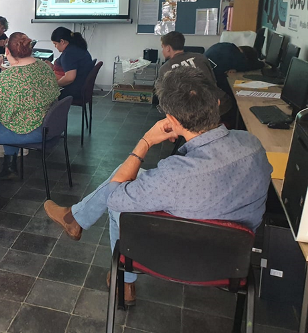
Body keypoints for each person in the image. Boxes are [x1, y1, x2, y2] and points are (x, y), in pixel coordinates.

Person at [43, 66, 271, 305]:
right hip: (232, 263)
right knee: (127, 175)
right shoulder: (253, 145)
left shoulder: (174, 175)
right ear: (216, 103)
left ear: (171, 120)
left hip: (172, 258)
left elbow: (114, 195)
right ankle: (75, 218)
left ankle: (124, 281)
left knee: (119, 199)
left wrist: (146, 141)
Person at [0, 32, 60, 179]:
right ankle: (9, 166)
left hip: (30, 128)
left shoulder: (8, 77)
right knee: (10, 118)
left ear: (7, 51)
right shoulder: (44, 67)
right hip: (48, 124)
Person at [158, 31, 232, 115]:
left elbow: (164, 97)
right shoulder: (201, 57)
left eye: (163, 47)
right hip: (217, 104)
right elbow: (213, 82)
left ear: (168, 48)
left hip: (189, 111)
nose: (162, 51)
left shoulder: (165, 69)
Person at [48, 27, 93, 100]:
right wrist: (52, 67)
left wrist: (55, 85)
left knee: (43, 90)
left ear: (62, 41)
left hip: (73, 91)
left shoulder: (68, 54)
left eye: (55, 44)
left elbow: (69, 78)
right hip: (80, 87)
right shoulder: (77, 47)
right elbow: (68, 67)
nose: (55, 46)